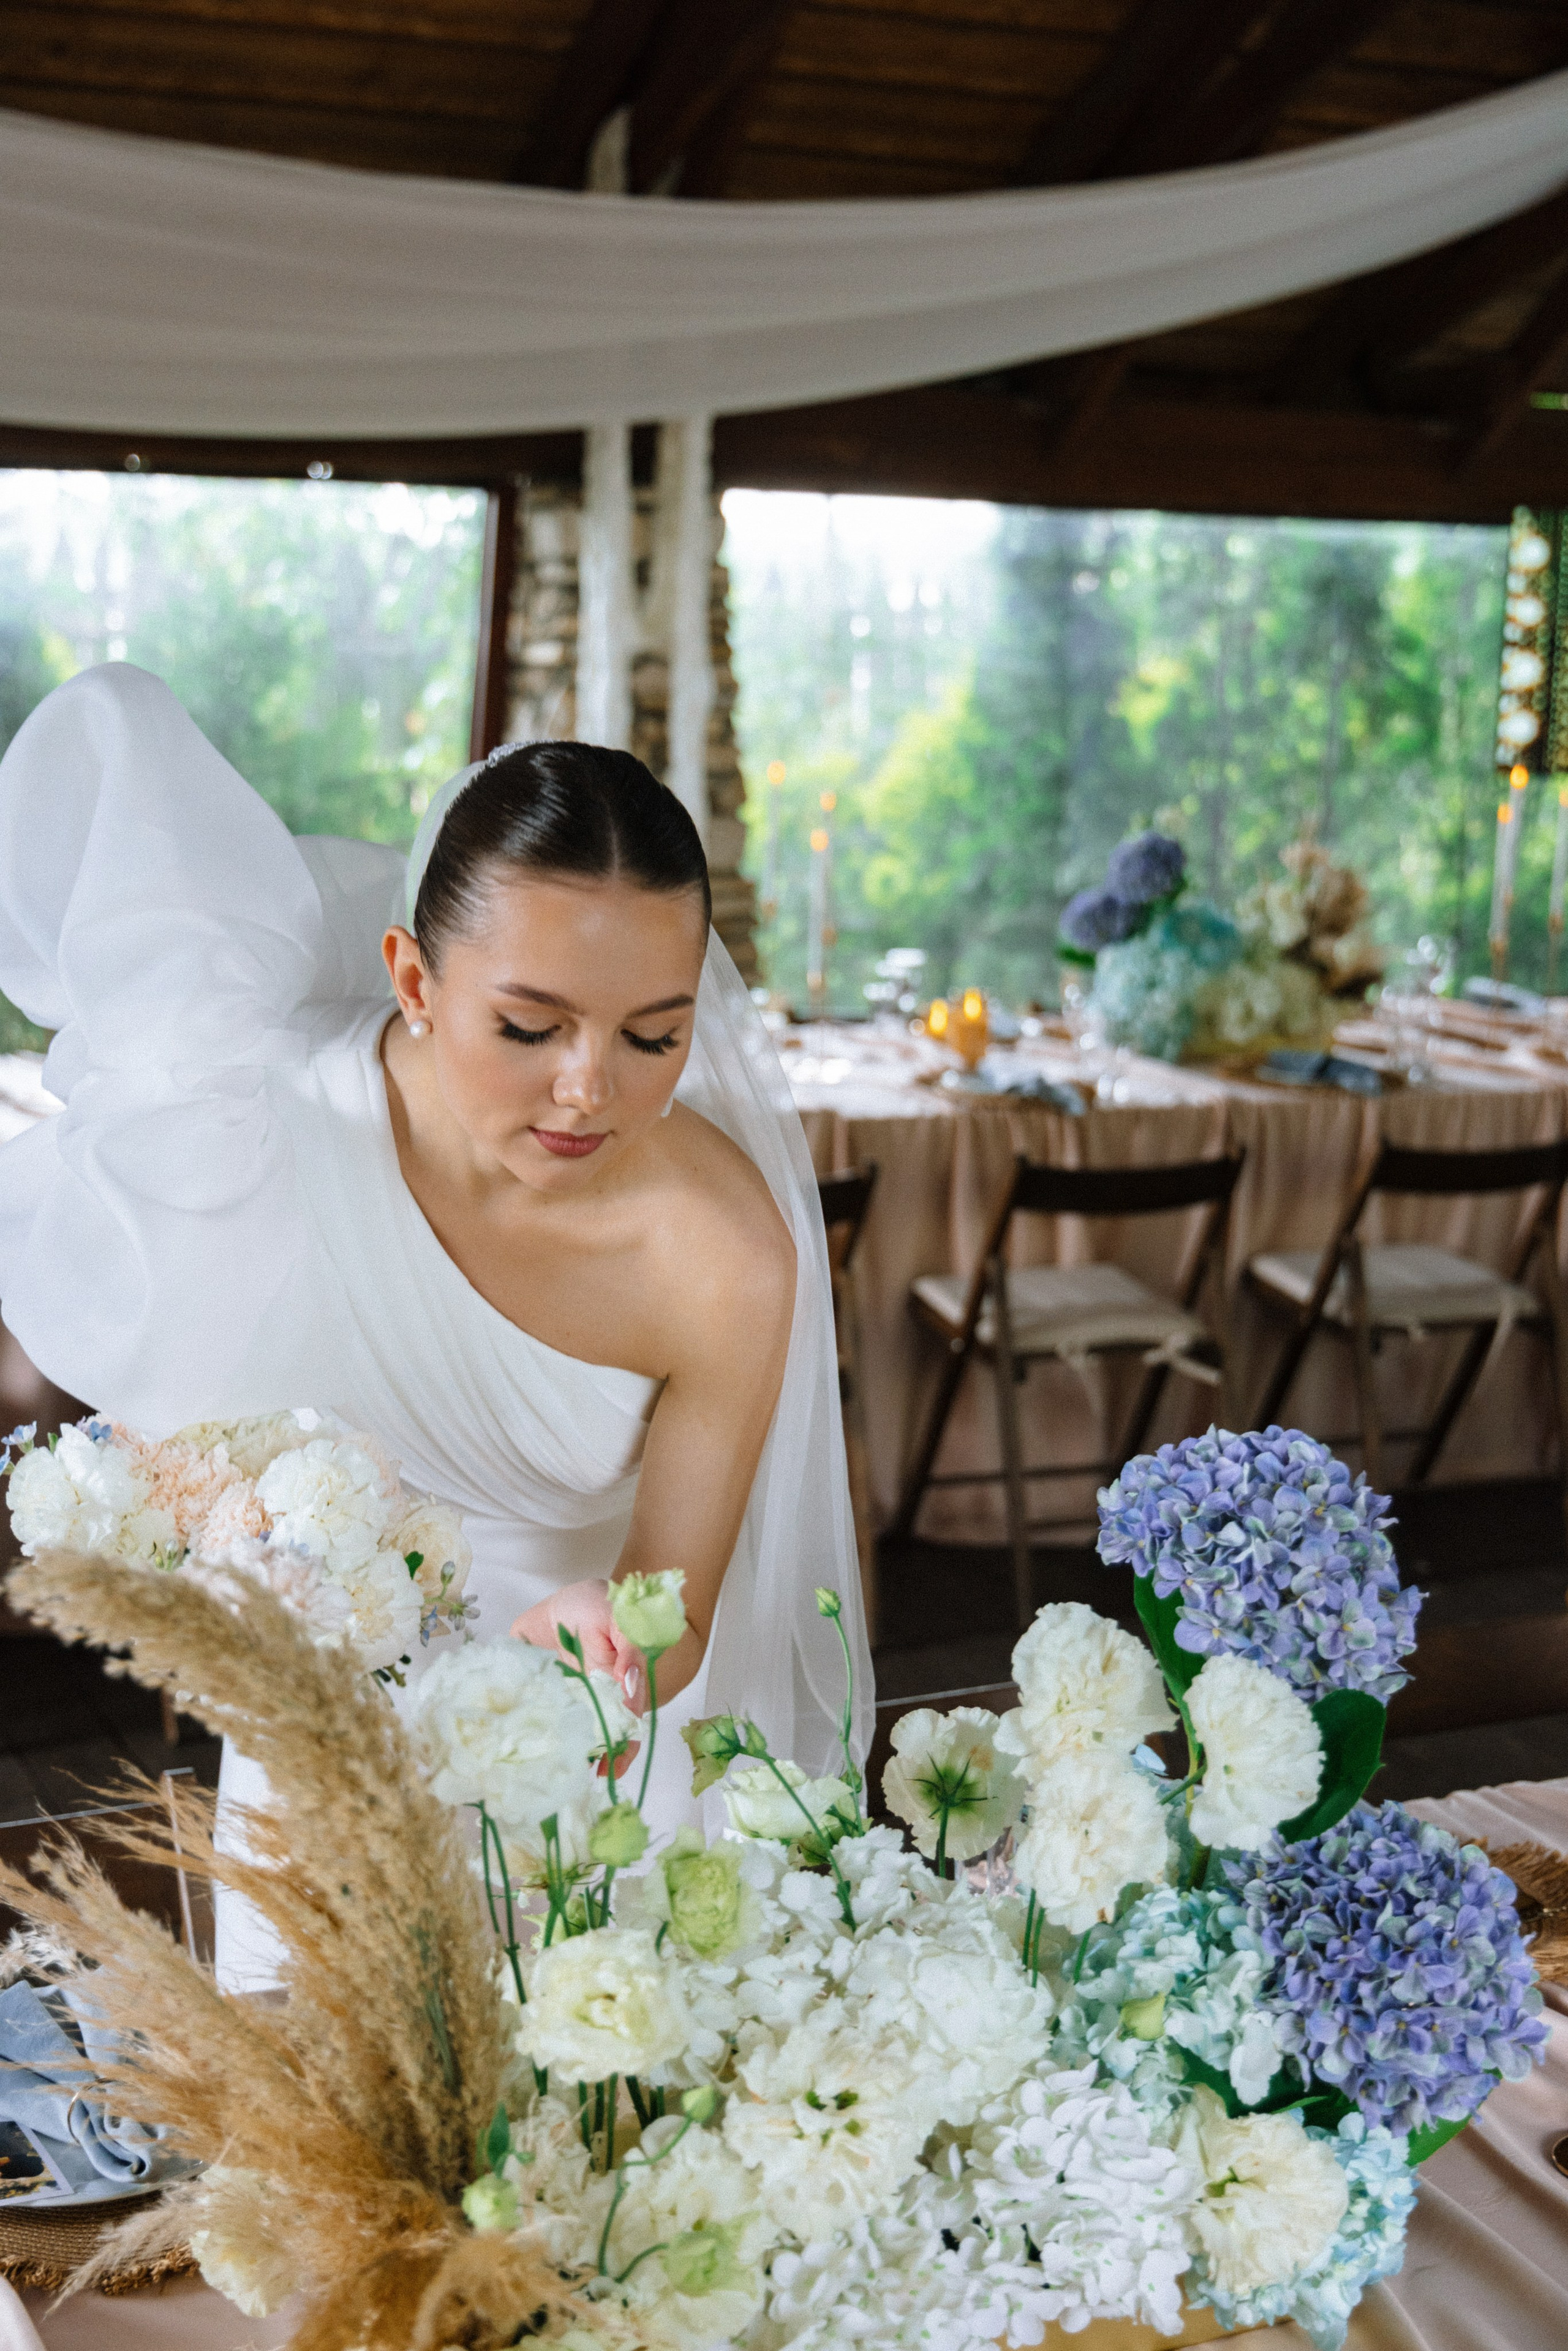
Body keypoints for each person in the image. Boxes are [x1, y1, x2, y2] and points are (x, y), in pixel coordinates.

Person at [0, 663, 872, 1862]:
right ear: (413, 977)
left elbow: (671, 1611)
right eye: (529, 1026)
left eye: (653, 1034)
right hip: (325, 1737)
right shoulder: (256, 1127)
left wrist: (599, 1636)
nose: (588, 1086)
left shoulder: (722, 1256)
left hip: (580, 1756)